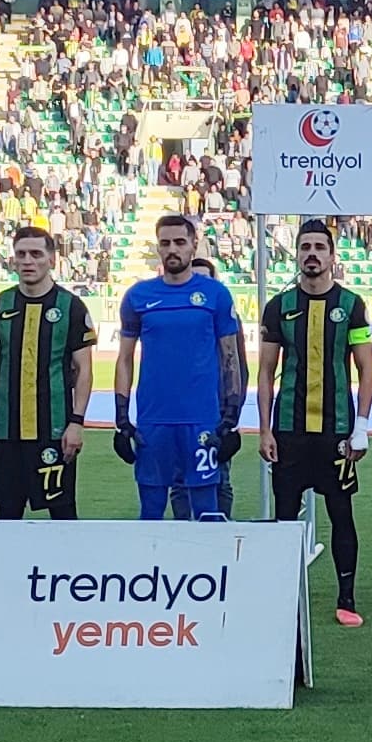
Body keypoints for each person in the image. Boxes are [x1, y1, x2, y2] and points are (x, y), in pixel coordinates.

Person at [257, 216, 372, 620]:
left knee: (341, 512)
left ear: (331, 255)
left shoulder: (351, 305)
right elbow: (266, 372)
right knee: (284, 517)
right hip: (289, 431)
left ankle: (347, 600)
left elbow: (366, 370)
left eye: (319, 248)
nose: (312, 255)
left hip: (336, 433)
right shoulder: (279, 306)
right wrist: (264, 429)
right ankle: (282, 596)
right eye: (305, 248)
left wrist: (360, 428)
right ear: (296, 255)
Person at [116, 210, 246, 522]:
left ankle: (209, 572)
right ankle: (151, 571)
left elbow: (231, 358)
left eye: (179, 242)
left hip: (201, 420)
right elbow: (124, 359)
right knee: (151, 511)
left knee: (206, 512)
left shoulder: (215, 294)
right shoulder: (138, 296)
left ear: (193, 245)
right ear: (158, 247)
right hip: (153, 422)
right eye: (165, 243)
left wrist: (231, 418)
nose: (172, 249)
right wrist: (122, 418)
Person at [0, 224, 92, 525]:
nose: (28, 261)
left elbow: (84, 369)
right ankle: (7, 573)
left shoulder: (71, 307)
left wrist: (76, 423)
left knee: (62, 516)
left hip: (54, 432)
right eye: (21, 254)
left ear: (52, 259)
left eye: (36, 254)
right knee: (8, 516)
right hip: (6, 433)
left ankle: (66, 573)